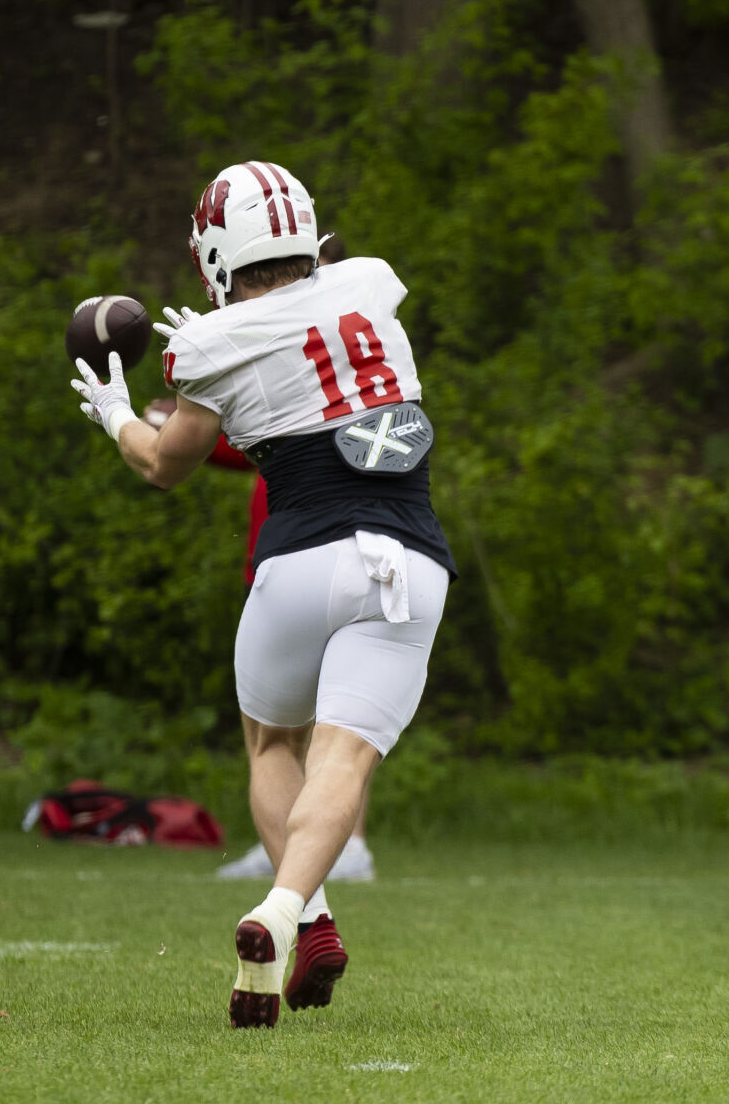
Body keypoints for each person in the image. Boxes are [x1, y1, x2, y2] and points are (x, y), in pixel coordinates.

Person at [71, 162, 454, 1028]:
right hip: (410, 561)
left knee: (272, 742)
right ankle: (285, 908)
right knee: (343, 757)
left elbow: (165, 464)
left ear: (215, 248)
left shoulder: (213, 344)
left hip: (301, 561)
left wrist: (115, 412)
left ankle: (308, 916)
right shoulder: (371, 287)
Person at [148, 233, 378, 885]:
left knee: (321, 721)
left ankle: (332, 854)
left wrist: (179, 415)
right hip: (284, 542)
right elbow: (253, 439)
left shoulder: (338, 359)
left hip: (317, 539)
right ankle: (303, 850)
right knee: (296, 722)